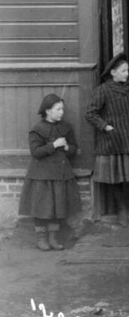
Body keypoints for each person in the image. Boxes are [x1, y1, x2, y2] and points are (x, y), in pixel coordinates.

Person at [86, 54, 129, 226]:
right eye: (123, 71)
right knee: (117, 177)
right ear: (113, 72)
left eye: (127, 71)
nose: (127, 74)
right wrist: (106, 127)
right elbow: (90, 113)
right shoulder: (103, 90)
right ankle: (121, 211)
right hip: (115, 140)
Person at [21, 94, 81, 251]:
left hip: (60, 173)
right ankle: (41, 238)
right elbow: (35, 152)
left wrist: (68, 148)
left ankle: (53, 238)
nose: (62, 112)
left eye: (62, 109)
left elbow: (73, 148)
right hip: (42, 175)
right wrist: (53, 145)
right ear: (48, 111)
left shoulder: (66, 127)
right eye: (58, 109)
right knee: (42, 207)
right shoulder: (36, 129)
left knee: (56, 207)